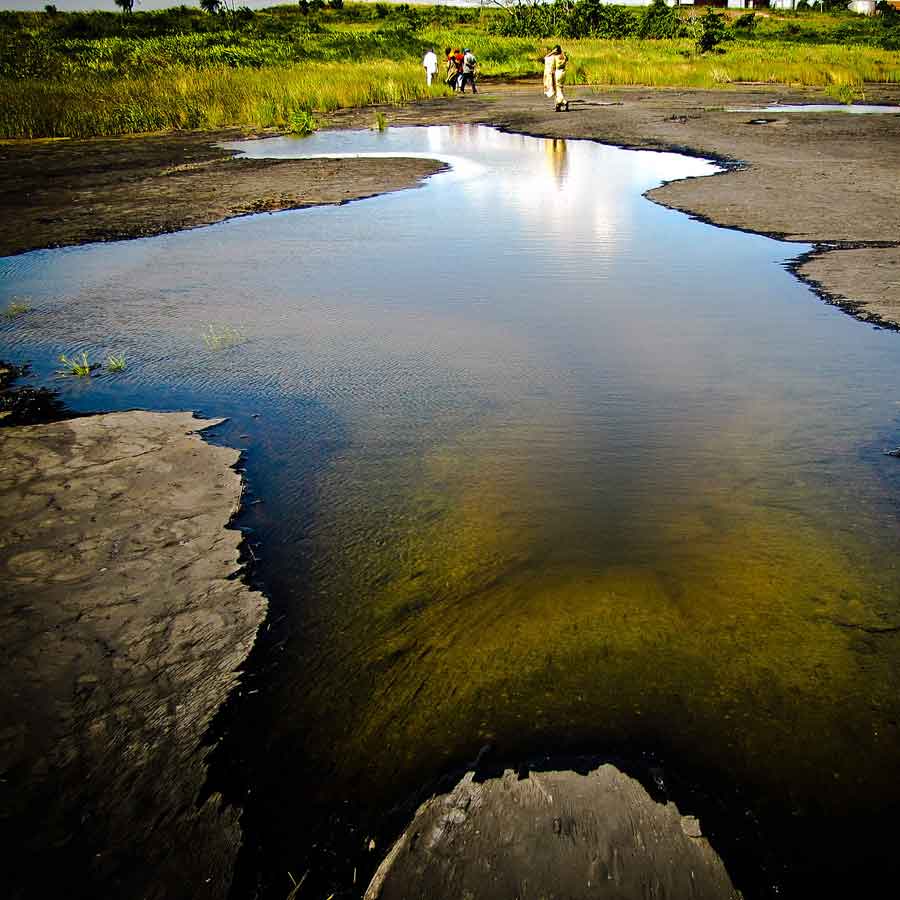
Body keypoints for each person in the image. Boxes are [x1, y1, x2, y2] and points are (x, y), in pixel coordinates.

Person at [543, 45, 568, 112]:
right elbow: (565, 57)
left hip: (558, 73)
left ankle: (564, 102)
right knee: (560, 88)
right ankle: (558, 105)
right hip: (563, 72)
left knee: (558, 89)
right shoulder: (564, 56)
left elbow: (546, 58)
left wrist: (552, 52)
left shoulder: (554, 57)